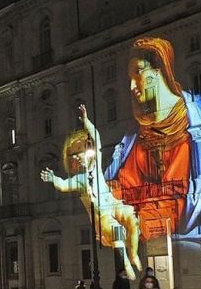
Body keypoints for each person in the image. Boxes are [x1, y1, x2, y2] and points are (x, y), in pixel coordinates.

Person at [105, 36, 201, 241]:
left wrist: (133, 220)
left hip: (180, 231)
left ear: (157, 71)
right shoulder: (137, 134)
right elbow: (124, 184)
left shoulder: (194, 123)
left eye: (138, 73)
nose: (132, 86)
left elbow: (185, 198)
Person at [42, 104, 142, 279]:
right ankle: (125, 263)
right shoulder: (79, 180)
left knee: (132, 219)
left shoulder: (95, 166)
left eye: (81, 152)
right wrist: (53, 179)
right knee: (117, 230)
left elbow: (96, 136)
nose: (79, 156)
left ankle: (133, 254)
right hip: (100, 215)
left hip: (113, 203)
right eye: (75, 155)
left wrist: (86, 121)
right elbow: (63, 185)